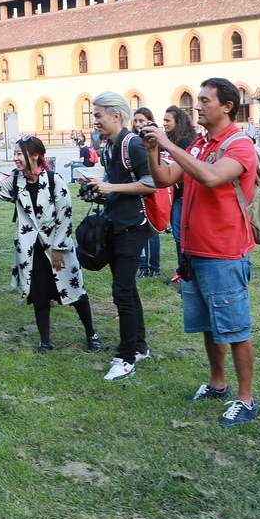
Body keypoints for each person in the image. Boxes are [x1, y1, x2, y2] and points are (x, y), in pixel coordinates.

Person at [143, 78, 260, 427]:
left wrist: (167, 142)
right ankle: (217, 383)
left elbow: (211, 178)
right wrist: (153, 150)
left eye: (206, 100)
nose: (198, 105)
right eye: (198, 99)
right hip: (194, 252)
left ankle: (246, 398)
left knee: (235, 327)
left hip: (224, 253)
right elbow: (165, 178)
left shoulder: (239, 146)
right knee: (210, 325)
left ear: (227, 106)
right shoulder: (199, 144)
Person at [0, 136, 99, 353]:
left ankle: (91, 334)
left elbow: (65, 217)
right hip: (32, 250)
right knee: (40, 293)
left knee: (74, 290)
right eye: (14, 154)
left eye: (18, 154)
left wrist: (59, 250)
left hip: (56, 247)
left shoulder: (54, 180)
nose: (15, 159)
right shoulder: (16, 180)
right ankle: (45, 340)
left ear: (34, 156)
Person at [82, 92, 155, 381]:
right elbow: (117, 184)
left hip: (133, 227)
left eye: (98, 115)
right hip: (116, 224)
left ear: (116, 116)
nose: (94, 120)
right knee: (127, 290)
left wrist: (110, 188)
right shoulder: (109, 146)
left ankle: (125, 357)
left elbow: (151, 184)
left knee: (122, 291)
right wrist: (98, 189)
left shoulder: (132, 144)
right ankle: (139, 345)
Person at [162, 105, 195, 281]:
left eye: (168, 120)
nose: (164, 123)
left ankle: (186, 271)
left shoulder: (184, 142)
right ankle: (182, 269)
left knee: (181, 236)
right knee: (178, 236)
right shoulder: (171, 140)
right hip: (175, 195)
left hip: (183, 195)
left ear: (178, 122)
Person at [132, 107, 162, 279]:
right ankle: (143, 267)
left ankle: (154, 267)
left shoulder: (154, 138)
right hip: (138, 191)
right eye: (135, 121)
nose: (138, 124)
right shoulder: (134, 141)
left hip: (151, 191)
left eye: (141, 121)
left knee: (153, 231)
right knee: (141, 230)